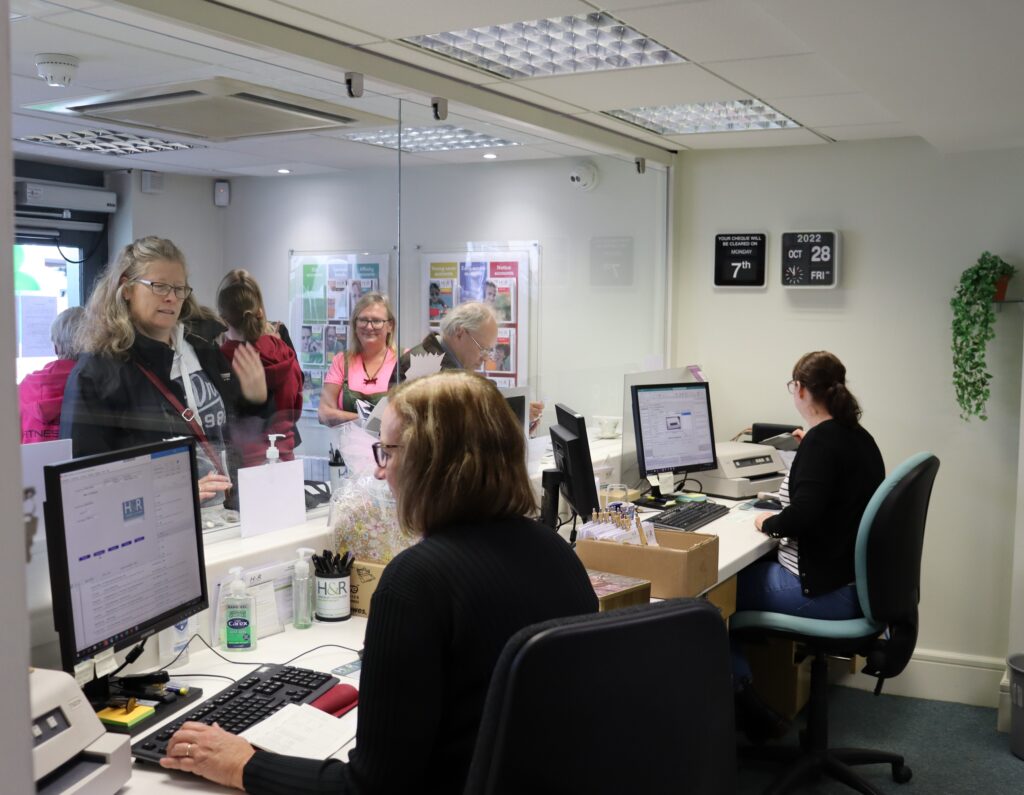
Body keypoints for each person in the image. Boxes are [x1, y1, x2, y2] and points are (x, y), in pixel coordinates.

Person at [160, 370, 598, 793]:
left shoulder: (416, 582)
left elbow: (369, 788)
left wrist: (243, 764)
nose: (379, 472)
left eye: (387, 452)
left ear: (431, 462)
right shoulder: (555, 551)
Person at [733, 351, 884, 733]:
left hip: (824, 591)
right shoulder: (857, 437)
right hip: (859, 586)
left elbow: (802, 517)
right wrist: (809, 450)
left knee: (708, 600)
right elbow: (829, 493)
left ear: (799, 390)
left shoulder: (822, 444)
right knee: (743, 574)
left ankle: (747, 706)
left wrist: (767, 521)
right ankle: (748, 699)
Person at [60, 236, 270, 502]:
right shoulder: (97, 372)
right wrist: (173, 494)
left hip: (226, 515)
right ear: (127, 289)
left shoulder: (202, 346)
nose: (172, 298)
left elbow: (227, 429)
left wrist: (255, 400)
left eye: (179, 288)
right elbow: (85, 482)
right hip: (160, 525)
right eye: (159, 286)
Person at [217, 269, 304, 467]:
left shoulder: (224, 357)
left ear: (223, 318)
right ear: (260, 310)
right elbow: (296, 403)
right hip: (284, 455)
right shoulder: (282, 349)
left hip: (245, 461)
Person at [318, 293, 398, 426]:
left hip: (389, 446)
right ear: (355, 324)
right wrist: (370, 420)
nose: (369, 326)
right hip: (349, 446)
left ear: (390, 325)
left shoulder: (403, 360)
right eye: (363, 320)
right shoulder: (342, 361)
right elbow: (324, 413)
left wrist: (347, 417)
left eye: (377, 321)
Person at [19, 306, 85, 444]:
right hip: (78, 466)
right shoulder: (93, 384)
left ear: (55, 347)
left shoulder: (24, 388)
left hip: (28, 465)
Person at [399, 300, 498, 376]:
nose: (485, 358)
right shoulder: (422, 368)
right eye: (482, 349)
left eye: (488, 351)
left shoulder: (447, 366)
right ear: (459, 333)